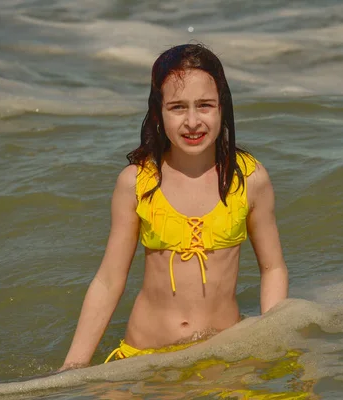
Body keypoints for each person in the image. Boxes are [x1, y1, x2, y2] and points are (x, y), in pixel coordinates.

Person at [60, 43, 289, 371]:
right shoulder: (138, 182)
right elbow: (109, 280)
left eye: (205, 105)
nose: (193, 121)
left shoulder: (248, 179)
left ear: (222, 108)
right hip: (143, 358)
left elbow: (274, 268)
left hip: (222, 355)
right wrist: (75, 364)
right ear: (158, 113)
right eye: (178, 107)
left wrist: (271, 337)